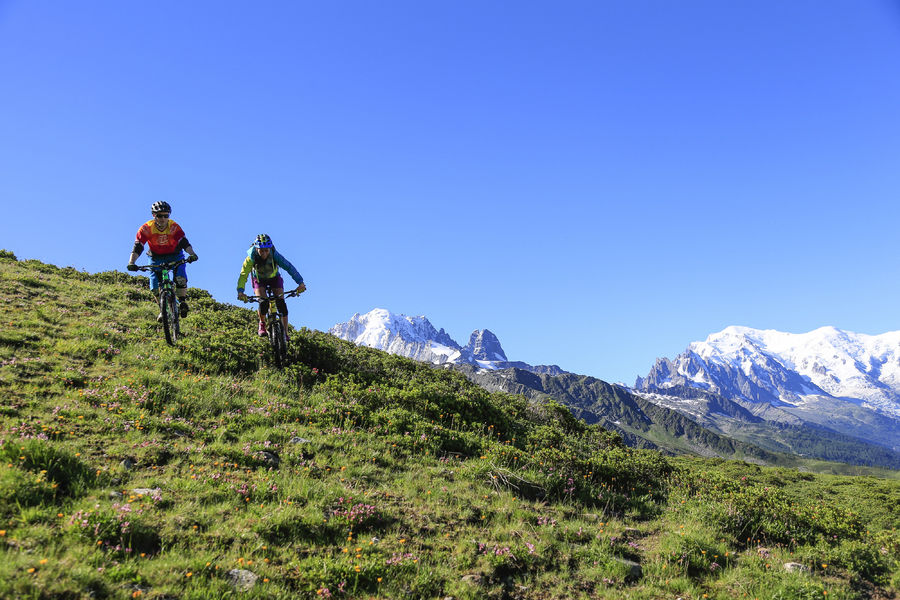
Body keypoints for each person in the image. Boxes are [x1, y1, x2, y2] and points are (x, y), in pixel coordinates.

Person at [126, 201, 199, 318]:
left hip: (175, 255)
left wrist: (192, 254)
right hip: (155, 257)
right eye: (160, 216)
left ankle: (182, 302)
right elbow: (138, 246)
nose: (163, 219)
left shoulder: (174, 226)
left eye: (166, 216)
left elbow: (185, 243)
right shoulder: (146, 228)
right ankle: (162, 309)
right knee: (154, 287)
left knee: (180, 278)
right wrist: (132, 262)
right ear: (154, 216)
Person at [237, 234, 306, 338]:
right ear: (256, 249)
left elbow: (289, 267)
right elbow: (243, 275)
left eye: (266, 250)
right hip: (259, 280)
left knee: (281, 304)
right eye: (261, 250)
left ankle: (285, 333)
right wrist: (240, 291)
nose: (264, 253)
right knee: (263, 302)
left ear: (270, 248)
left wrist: (300, 283)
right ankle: (262, 323)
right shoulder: (251, 258)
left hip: (274, 278)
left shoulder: (274, 254)